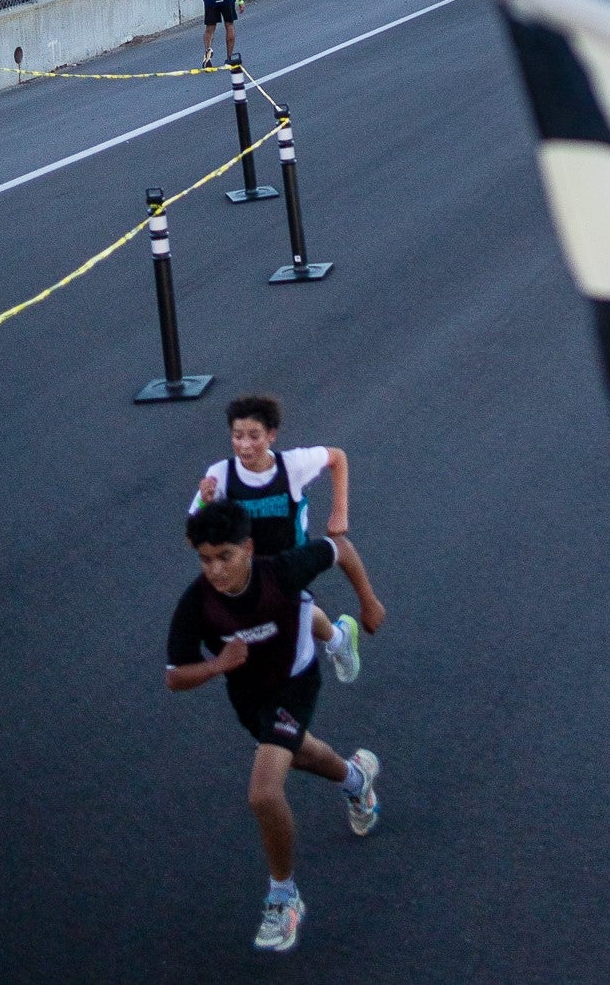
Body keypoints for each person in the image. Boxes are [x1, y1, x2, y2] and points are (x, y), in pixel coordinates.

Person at [168, 502, 386, 953]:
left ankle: (284, 897)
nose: (215, 570)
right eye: (205, 559)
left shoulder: (281, 571)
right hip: (249, 698)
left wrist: (369, 600)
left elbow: (340, 548)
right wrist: (216, 666)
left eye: (224, 556)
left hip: (295, 682)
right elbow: (175, 676)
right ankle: (356, 778)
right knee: (302, 753)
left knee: (264, 792)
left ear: (248, 548)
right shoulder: (196, 603)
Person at [192, 394, 363, 684]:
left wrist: (339, 512)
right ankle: (338, 637)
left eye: (254, 436)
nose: (244, 445)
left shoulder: (293, 465)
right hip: (246, 568)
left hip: (291, 558)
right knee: (289, 616)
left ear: (271, 435)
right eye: (237, 436)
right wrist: (207, 503)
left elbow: (337, 457)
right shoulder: (219, 475)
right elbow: (195, 531)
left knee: (284, 615)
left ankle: (297, 676)